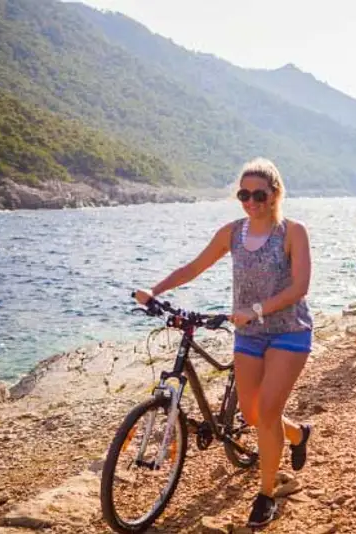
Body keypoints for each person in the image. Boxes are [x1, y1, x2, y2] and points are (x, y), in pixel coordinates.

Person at [134, 157, 313, 528]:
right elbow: (194, 267)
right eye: (243, 194)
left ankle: (267, 493)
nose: (250, 201)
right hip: (249, 334)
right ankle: (297, 433)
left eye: (258, 194)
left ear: (275, 193)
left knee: (266, 411)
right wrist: (155, 290)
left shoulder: (293, 232)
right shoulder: (232, 232)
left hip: (288, 331)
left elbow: (299, 288)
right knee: (251, 415)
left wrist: (257, 308)